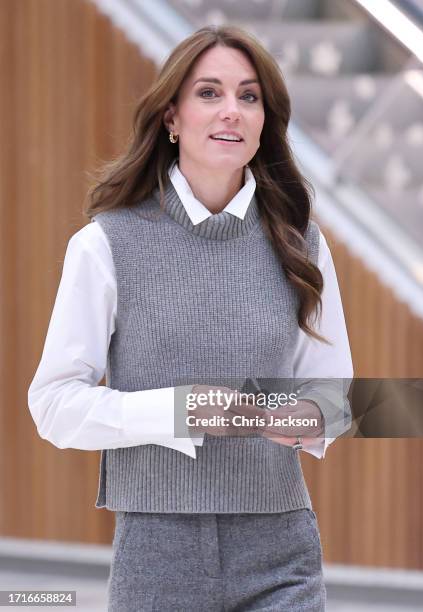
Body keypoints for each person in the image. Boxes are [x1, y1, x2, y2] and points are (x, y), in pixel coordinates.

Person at [28, 25, 353, 611]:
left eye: (249, 96)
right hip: (158, 551)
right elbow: (53, 404)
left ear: (263, 123)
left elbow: (337, 393)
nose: (232, 111)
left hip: (282, 548)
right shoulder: (106, 244)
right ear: (171, 118)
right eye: (209, 92)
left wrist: (309, 413)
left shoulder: (302, 243)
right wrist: (177, 410)